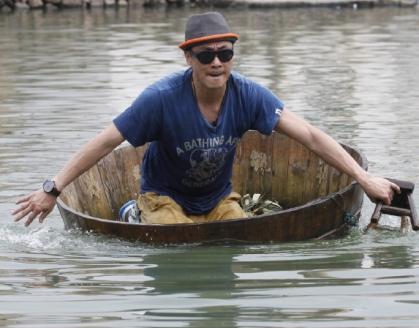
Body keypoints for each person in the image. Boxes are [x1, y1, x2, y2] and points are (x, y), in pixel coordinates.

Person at [13, 12, 400, 227]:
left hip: (217, 199)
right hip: (163, 198)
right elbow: (105, 141)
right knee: (178, 240)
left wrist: (364, 179)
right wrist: (53, 188)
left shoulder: (248, 94)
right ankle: (133, 213)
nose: (216, 62)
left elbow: (311, 136)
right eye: (205, 55)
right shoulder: (160, 99)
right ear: (188, 58)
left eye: (225, 53)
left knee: (234, 234)